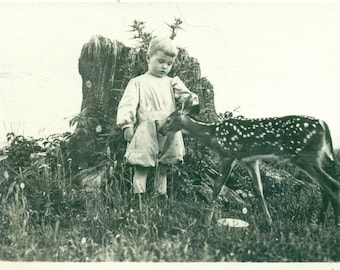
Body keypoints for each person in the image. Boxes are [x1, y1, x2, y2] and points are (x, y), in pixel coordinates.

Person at [116, 36, 199, 206]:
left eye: (169, 63)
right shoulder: (138, 82)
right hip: (147, 129)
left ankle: (160, 198)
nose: (164, 67)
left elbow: (187, 99)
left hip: (168, 128)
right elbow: (128, 104)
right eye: (160, 61)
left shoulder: (171, 82)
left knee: (164, 167)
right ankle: (138, 199)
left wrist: (188, 98)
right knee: (142, 165)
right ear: (148, 58)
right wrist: (127, 124)